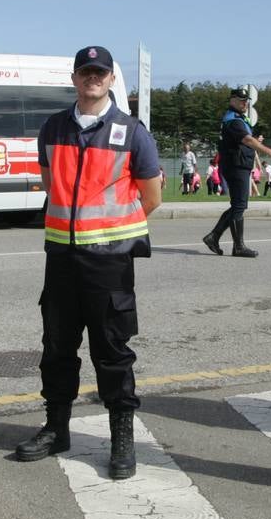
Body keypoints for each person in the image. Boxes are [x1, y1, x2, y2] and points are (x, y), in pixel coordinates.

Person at [14, 45, 162, 480]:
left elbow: (150, 197)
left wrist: (110, 233)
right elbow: (51, 183)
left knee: (112, 352)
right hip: (61, 259)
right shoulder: (53, 128)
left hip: (109, 264)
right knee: (57, 348)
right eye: (85, 72)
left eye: (100, 72)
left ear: (112, 79)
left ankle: (121, 438)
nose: (92, 78)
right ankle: (56, 428)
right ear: (75, 78)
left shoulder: (133, 132)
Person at [203, 88, 271, 257]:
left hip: (238, 164)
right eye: (240, 100)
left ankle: (214, 237)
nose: (244, 103)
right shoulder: (233, 120)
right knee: (239, 205)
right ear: (232, 100)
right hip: (236, 165)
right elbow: (247, 140)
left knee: (238, 205)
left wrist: (256, 142)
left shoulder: (238, 118)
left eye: (246, 100)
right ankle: (237, 246)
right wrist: (270, 152)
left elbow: (246, 139)